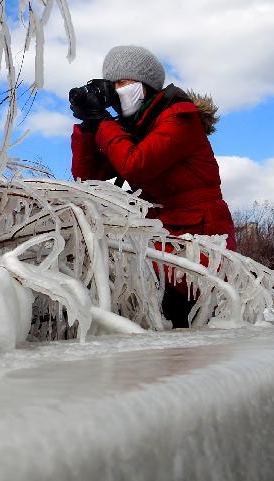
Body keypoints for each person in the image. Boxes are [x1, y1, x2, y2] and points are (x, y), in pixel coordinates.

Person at [69, 45, 236, 328]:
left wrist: (103, 122)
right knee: (166, 327)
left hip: (200, 237)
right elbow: (88, 178)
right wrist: (89, 126)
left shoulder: (180, 118)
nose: (116, 91)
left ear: (145, 86)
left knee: (194, 327)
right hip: (160, 236)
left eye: (122, 84)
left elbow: (135, 164)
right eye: (113, 86)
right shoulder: (134, 128)